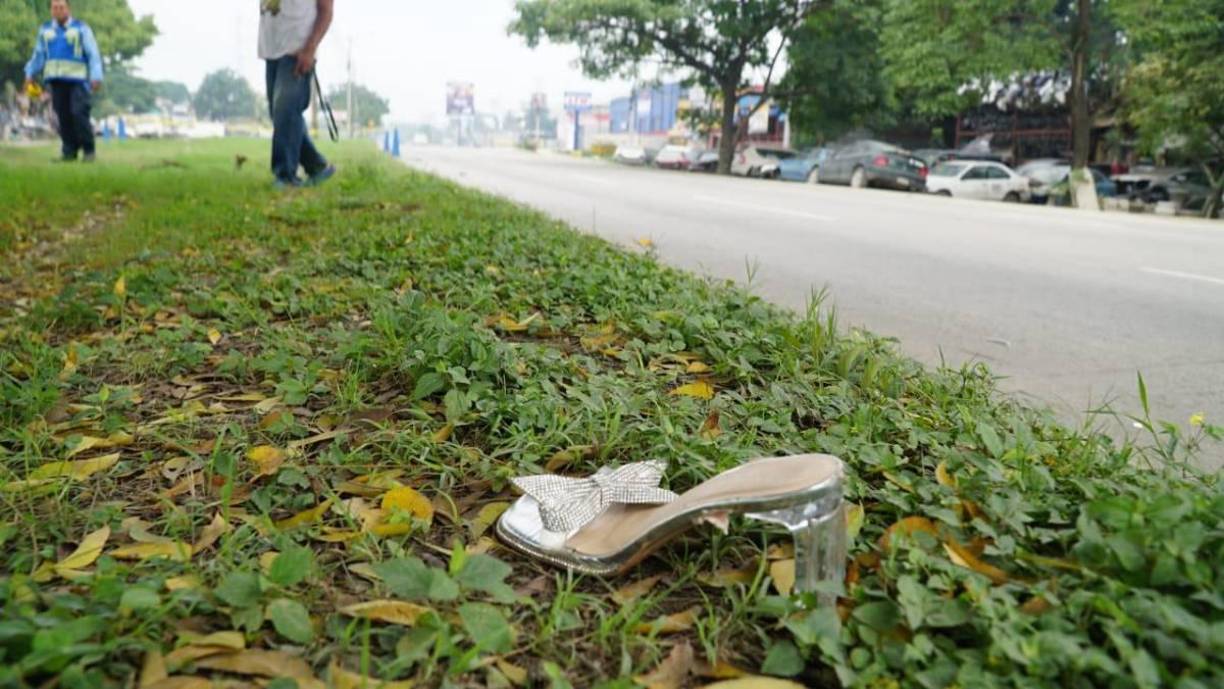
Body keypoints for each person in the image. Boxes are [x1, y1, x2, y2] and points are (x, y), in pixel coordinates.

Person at [259, 0, 337, 188]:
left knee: (285, 111)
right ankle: (317, 166)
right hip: (272, 50)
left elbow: (326, 11)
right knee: (280, 115)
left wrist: (310, 49)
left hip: (297, 51)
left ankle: (285, 176)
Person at [23, 0, 103, 162]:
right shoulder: (45, 30)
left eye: (61, 7)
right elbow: (38, 55)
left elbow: (93, 54)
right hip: (55, 81)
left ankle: (89, 151)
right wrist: (29, 74)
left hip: (78, 81)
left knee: (79, 113)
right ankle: (69, 152)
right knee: (63, 117)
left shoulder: (81, 29)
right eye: (54, 8)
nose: (58, 11)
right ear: (51, 10)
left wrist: (96, 76)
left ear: (68, 9)